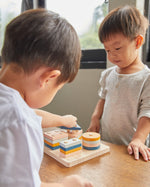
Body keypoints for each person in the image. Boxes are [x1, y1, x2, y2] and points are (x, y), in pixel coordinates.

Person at [0, 9, 93, 187]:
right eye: (58, 87)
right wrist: (67, 185)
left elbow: (29, 113)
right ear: (48, 78)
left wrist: (62, 120)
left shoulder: (10, 104)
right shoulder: (20, 122)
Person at [87, 5, 150, 162]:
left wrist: (138, 139)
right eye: (107, 50)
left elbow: (147, 113)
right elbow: (103, 99)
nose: (112, 55)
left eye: (117, 48)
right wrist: (95, 118)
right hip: (108, 144)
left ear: (137, 42)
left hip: (132, 149)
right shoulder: (108, 75)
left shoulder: (146, 78)